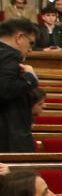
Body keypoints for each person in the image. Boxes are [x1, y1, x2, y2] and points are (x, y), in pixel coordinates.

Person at [0, 18, 38, 152]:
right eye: (30, 43)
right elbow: (5, 90)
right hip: (8, 137)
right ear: (19, 37)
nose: (30, 50)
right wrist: (30, 78)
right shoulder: (9, 56)